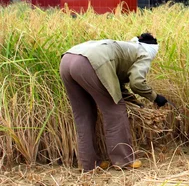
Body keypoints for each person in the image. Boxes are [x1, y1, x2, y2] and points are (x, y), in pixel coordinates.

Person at [59, 33, 169, 171]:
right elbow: (137, 82)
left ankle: (88, 164)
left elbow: (115, 85)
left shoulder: (125, 48)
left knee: (83, 115)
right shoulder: (144, 53)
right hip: (90, 63)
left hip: (67, 60)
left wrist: (136, 103)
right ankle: (123, 160)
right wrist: (155, 97)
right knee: (115, 111)